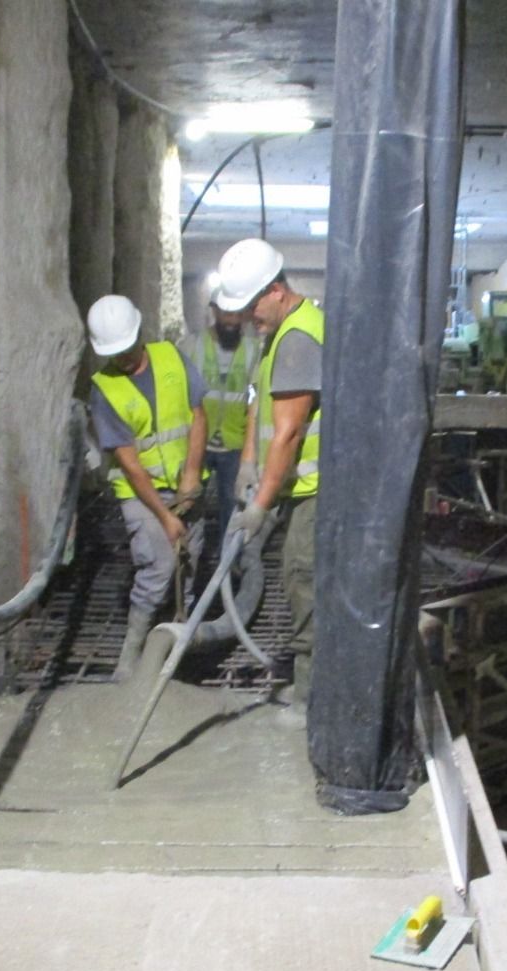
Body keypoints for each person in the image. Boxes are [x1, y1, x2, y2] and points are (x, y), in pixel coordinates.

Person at [213, 238, 321, 709]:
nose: (244, 318)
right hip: (294, 484)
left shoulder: (298, 337)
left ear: (277, 289)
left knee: (303, 575)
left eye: (252, 305)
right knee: (292, 573)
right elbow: (260, 404)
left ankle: (311, 694)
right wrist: (247, 465)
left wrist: (260, 506)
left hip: (318, 488)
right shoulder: (277, 332)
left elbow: (290, 435)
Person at [85, 294, 209, 679]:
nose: (121, 358)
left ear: (139, 332)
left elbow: (198, 415)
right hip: (142, 494)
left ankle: (176, 658)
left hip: (185, 485)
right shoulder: (104, 390)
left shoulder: (171, 357)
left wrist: (191, 473)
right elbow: (130, 463)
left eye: (125, 348)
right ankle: (131, 659)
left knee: (187, 567)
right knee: (158, 567)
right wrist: (163, 515)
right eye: (113, 352)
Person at [179, 287, 260, 540]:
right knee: (189, 501)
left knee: (232, 506)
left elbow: (255, 399)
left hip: (234, 444)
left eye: (237, 315)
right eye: (226, 314)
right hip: (196, 441)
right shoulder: (191, 346)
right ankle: (189, 556)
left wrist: (250, 454)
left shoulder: (254, 350)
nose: (232, 321)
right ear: (214, 311)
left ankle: (229, 566)